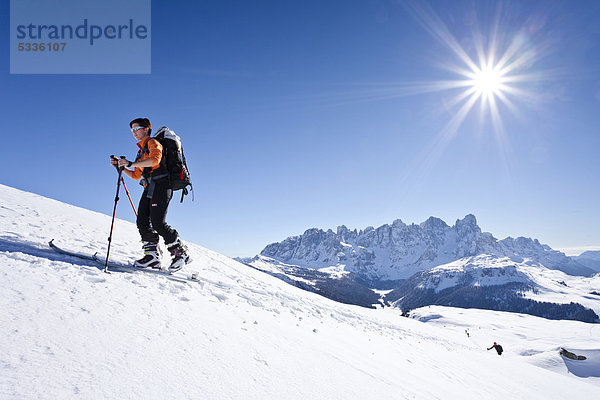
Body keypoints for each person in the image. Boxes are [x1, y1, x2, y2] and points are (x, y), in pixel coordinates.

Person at [109, 117, 191, 272]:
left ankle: (180, 254)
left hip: (162, 185)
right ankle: (152, 257)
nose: (134, 132)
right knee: (142, 222)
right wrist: (121, 167)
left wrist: (131, 164)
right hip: (149, 187)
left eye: (137, 128)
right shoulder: (141, 151)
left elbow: (155, 160)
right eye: (132, 129)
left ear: (146, 129)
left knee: (158, 223)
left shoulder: (153, 143)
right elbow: (136, 175)